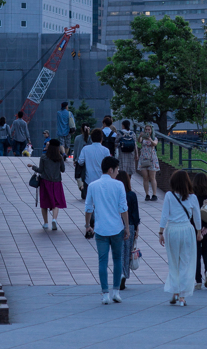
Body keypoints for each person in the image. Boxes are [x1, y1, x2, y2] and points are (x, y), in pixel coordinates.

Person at [85, 156, 129, 304]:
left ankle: (105, 294)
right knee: (117, 260)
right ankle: (116, 291)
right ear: (111, 169)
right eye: (116, 170)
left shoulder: (93, 185)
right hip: (117, 228)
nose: (117, 173)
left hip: (100, 229)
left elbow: (88, 208)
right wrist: (127, 227)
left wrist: (87, 226)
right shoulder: (119, 185)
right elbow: (123, 208)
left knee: (102, 262)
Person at [158, 169, 202, 307]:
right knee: (186, 262)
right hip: (187, 230)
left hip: (172, 230)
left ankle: (175, 292)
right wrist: (199, 232)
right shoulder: (193, 197)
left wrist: (160, 232)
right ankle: (182, 296)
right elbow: (197, 217)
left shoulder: (169, 196)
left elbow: (164, 215)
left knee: (173, 262)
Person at [27, 138, 66, 230]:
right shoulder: (59, 157)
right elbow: (63, 170)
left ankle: (45, 223)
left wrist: (33, 166)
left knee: (44, 202)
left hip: (45, 182)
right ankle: (54, 219)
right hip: (56, 182)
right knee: (56, 202)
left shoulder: (44, 157)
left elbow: (40, 170)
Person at [116, 169, 140, 290]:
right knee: (127, 253)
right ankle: (124, 275)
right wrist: (136, 228)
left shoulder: (115, 194)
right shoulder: (131, 195)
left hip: (116, 225)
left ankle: (119, 273)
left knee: (119, 252)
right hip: (129, 225)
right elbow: (135, 214)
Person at [137, 124, 160, 201]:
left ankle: (154, 194)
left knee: (152, 177)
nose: (147, 131)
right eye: (146, 129)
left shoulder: (154, 138)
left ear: (151, 131)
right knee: (145, 177)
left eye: (148, 130)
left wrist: (150, 139)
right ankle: (147, 194)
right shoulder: (143, 138)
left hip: (152, 158)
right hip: (143, 158)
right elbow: (138, 141)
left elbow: (155, 144)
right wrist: (140, 136)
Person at [72, 124, 92, 199]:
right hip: (89, 161)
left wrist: (74, 159)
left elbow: (76, 149)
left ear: (81, 129)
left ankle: (82, 188)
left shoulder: (77, 138)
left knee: (78, 176)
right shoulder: (90, 138)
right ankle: (85, 189)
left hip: (79, 161)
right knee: (87, 176)